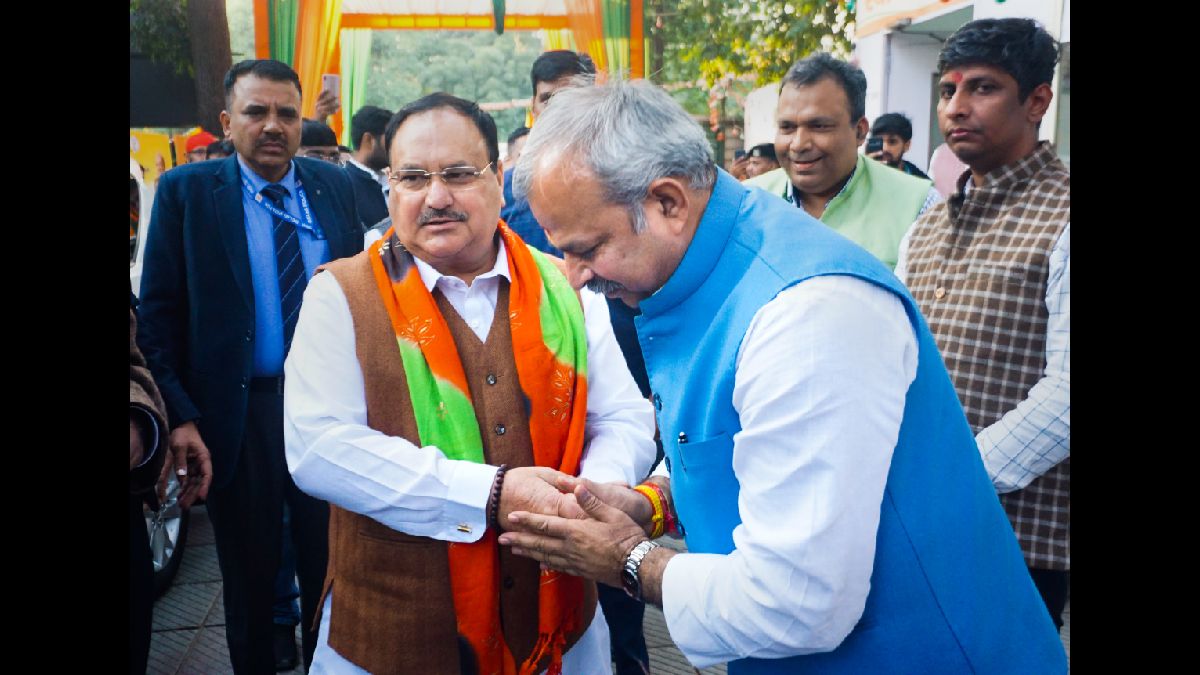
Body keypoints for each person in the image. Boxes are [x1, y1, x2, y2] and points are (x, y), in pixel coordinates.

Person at [500, 79, 1068, 672]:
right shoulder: (715, 260)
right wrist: (651, 502)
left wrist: (629, 559)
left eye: (588, 249)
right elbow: (728, 436)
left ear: (668, 202)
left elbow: (797, 603)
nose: (574, 276)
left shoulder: (808, 313)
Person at [283, 92, 656, 674]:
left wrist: (589, 494)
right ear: (389, 187)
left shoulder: (566, 285)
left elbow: (622, 416)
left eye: (458, 174)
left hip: (561, 625)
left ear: (498, 180)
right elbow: (318, 448)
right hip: (394, 634)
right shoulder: (340, 294)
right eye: (413, 178)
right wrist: (491, 494)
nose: (436, 197)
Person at [136, 58, 364, 674]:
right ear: (226, 121)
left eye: (286, 113)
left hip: (330, 409)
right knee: (250, 576)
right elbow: (157, 315)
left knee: (333, 567)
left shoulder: (333, 186)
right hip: (239, 414)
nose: (272, 125)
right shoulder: (188, 194)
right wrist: (181, 416)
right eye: (256, 112)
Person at [894, 17, 1070, 632]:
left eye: (984, 88)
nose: (956, 107)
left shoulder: (1063, 215)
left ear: (1038, 101)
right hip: (915, 518)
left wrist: (954, 474)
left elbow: (1067, 393)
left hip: (1018, 540)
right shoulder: (927, 225)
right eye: (948, 90)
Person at [745, 53, 940, 269]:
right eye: (787, 127)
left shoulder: (920, 205)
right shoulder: (746, 202)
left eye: (819, 126)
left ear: (860, 132)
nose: (799, 144)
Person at [499, 50, 597, 256]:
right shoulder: (505, 192)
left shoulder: (622, 181)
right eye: (547, 100)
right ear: (533, 107)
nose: (557, 111)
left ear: (593, 103)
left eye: (568, 99)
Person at [345, 105, 393, 232]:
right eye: (390, 139)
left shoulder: (392, 181)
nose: (395, 146)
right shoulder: (345, 184)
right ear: (369, 140)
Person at [866, 112, 930, 179]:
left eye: (892, 142)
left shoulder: (921, 181)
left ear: (906, 146)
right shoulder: (863, 173)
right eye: (880, 141)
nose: (885, 148)